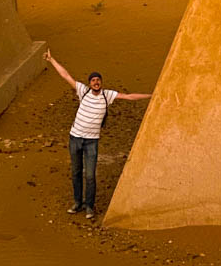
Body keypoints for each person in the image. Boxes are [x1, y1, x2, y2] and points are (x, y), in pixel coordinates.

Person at [44, 50, 152, 219]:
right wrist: (51, 60)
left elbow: (129, 97)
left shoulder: (107, 95)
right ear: (89, 83)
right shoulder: (82, 91)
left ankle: (89, 207)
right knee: (76, 172)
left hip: (91, 142)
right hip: (75, 138)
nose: (96, 82)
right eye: (93, 80)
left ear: (101, 83)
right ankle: (77, 203)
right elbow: (66, 76)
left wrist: (152, 96)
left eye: (98, 80)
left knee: (90, 175)